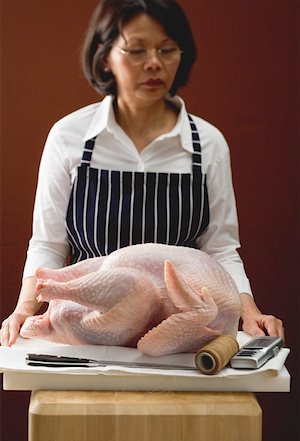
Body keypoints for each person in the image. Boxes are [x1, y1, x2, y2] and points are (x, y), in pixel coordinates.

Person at [0, 0, 284, 346]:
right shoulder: (69, 137)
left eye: (167, 50)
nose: (154, 63)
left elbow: (220, 248)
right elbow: (48, 243)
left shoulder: (206, 144)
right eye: (136, 50)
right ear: (105, 56)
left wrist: (248, 310)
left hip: (177, 335)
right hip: (87, 330)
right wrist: (24, 308)